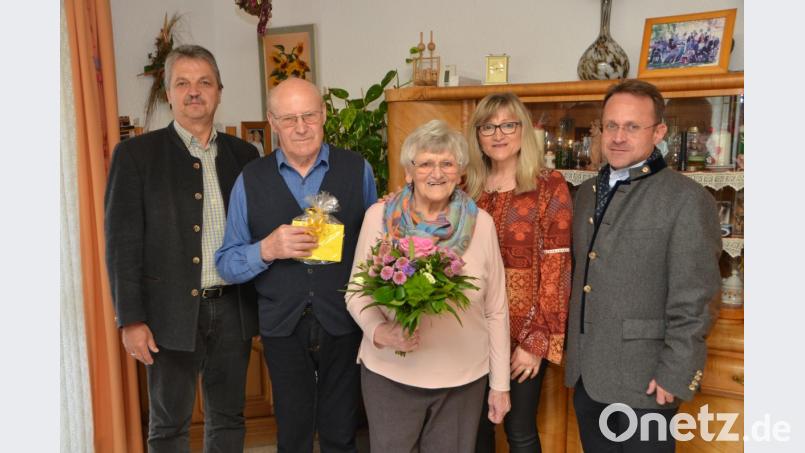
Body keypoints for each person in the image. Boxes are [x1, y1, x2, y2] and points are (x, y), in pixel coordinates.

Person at [104, 44, 259, 452]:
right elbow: (122, 244)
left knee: (228, 419)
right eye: (183, 83)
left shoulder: (245, 155)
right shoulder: (135, 155)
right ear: (168, 94)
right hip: (167, 315)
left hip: (233, 308)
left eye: (204, 82)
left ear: (219, 91)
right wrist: (130, 319)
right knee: (168, 425)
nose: (195, 91)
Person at [215, 77, 378, 453]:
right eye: (290, 119)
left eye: (309, 115)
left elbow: (375, 248)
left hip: (345, 320)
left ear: (323, 115)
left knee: (342, 433)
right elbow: (227, 263)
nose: (301, 127)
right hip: (281, 327)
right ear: (272, 122)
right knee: (293, 436)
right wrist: (267, 249)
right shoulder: (250, 180)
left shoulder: (357, 170)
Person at [564, 79, 722, 452]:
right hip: (589, 376)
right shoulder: (586, 193)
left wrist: (676, 372)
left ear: (659, 132)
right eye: (611, 126)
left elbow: (696, 298)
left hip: (648, 380)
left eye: (632, 127)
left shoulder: (686, 199)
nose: (618, 137)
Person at [346, 119, 511, 453]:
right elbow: (356, 291)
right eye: (425, 164)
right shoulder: (379, 217)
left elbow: (496, 309)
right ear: (409, 172)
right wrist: (381, 331)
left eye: (447, 163)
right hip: (391, 374)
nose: (437, 173)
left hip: (463, 381)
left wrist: (500, 385)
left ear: (460, 172)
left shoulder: (482, 225)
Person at [465, 93, 572, 453]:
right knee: (474, 429)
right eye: (488, 126)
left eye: (508, 125)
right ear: (477, 134)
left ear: (522, 130)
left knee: (519, 430)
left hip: (522, 333)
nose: (498, 134)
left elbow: (558, 268)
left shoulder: (548, 185)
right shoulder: (465, 188)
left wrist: (536, 342)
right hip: (469, 330)